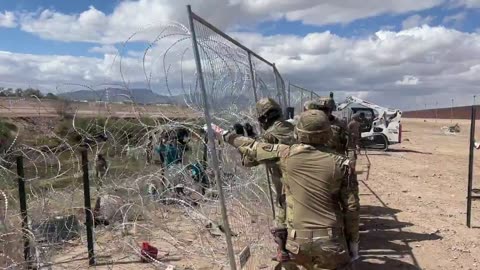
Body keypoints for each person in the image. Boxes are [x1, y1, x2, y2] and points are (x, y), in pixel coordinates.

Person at [210, 110, 352, 269]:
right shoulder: (342, 163)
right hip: (330, 240)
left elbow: (251, 145)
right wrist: (353, 242)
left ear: (299, 132)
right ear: (328, 133)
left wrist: (222, 133)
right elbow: (352, 208)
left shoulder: (284, 153)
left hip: (297, 242)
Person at [304, 98, 360, 262]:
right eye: (322, 109)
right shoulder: (311, 125)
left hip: (339, 168)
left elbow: (349, 146)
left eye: (327, 109)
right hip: (317, 170)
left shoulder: (340, 126)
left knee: (351, 207)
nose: (325, 112)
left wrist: (351, 163)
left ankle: (353, 244)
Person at [253, 98, 296, 260]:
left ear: (263, 118)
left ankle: (282, 249)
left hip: (282, 178)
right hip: (302, 177)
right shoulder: (295, 129)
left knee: (281, 207)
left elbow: (259, 157)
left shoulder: (269, 135)